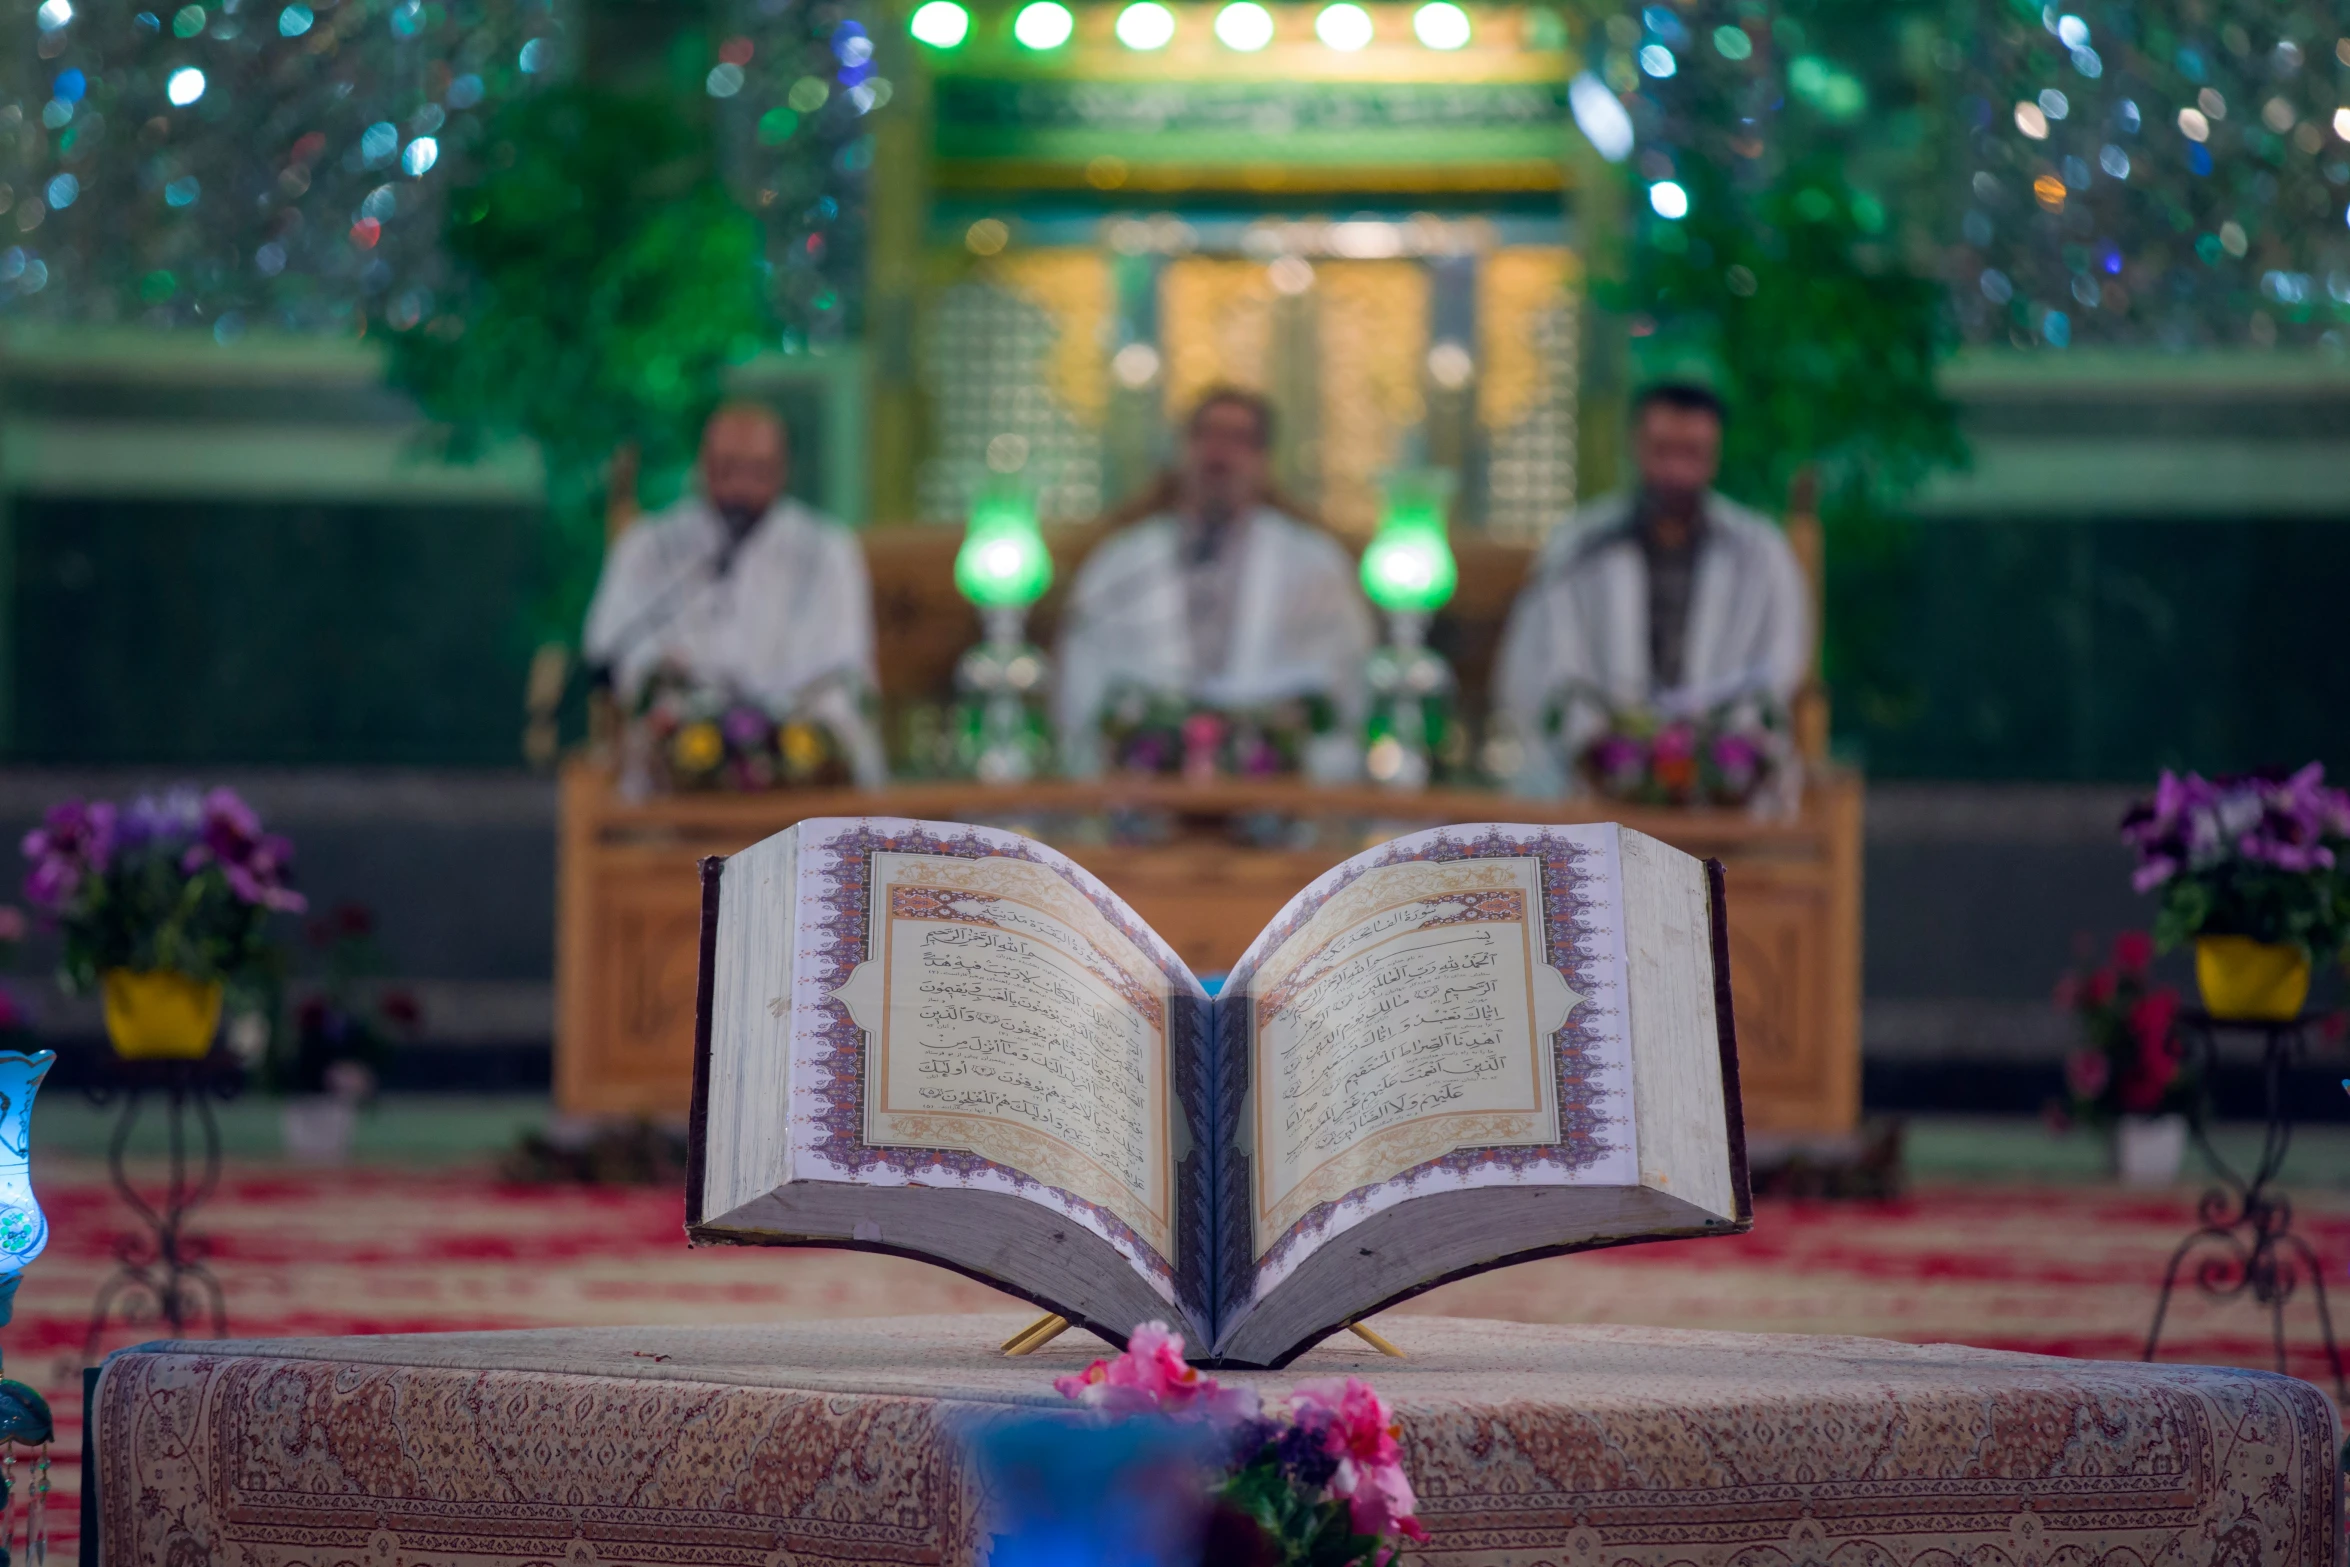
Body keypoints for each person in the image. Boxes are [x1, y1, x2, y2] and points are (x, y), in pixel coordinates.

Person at [1493, 382, 1810, 794]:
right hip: (1595, 779)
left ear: (1714, 455)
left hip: (1725, 787)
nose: (1676, 471)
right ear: (1636, 446)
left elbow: (1780, 663)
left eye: (1692, 454)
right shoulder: (1576, 547)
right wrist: (1597, 742)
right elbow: (1541, 665)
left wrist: (1710, 749)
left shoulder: (1761, 552)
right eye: (1663, 451)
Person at [1055, 389, 1375, 778]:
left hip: (1276, 791)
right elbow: (1082, 686)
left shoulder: (1314, 564)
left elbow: (1345, 688)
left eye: (1238, 440)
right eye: (1206, 436)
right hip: (1146, 788)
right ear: (1181, 450)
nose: (1218, 454)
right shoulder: (1121, 563)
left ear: (1263, 460)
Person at [583, 403, 886, 785]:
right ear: (702, 467)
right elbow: (611, 648)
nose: (741, 487)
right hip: (677, 775)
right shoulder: (649, 547)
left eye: (758, 471)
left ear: (782, 472)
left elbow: (843, 668)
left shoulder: (828, 551)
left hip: (800, 771)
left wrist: (763, 733)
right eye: (726, 469)